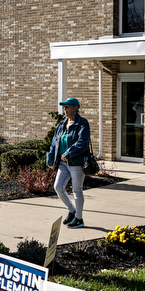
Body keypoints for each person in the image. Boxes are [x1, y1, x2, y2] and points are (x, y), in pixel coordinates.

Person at [46, 97, 90, 229]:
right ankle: (72, 210)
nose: (65, 109)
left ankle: (79, 218)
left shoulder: (82, 123)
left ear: (75, 108)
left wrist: (69, 153)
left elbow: (83, 142)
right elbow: (54, 143)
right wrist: (50, 159)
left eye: (68, 106)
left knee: (77, 190)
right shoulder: (61, 125)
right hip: (64, 163)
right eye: (64, 106)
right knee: (58, 187)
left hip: (76, 162)